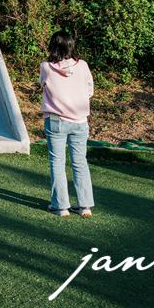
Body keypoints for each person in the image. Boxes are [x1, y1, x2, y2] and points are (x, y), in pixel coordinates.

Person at [40, 31, 94, 218]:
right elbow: (89, 90)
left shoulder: (46, 67)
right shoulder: (84, 65)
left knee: (57, 162)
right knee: (80, 162)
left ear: (53, 46)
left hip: (56, 120)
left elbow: (43, 84)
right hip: (80, 121)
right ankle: (85, 205)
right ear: (71, 46)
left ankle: (61, 206)